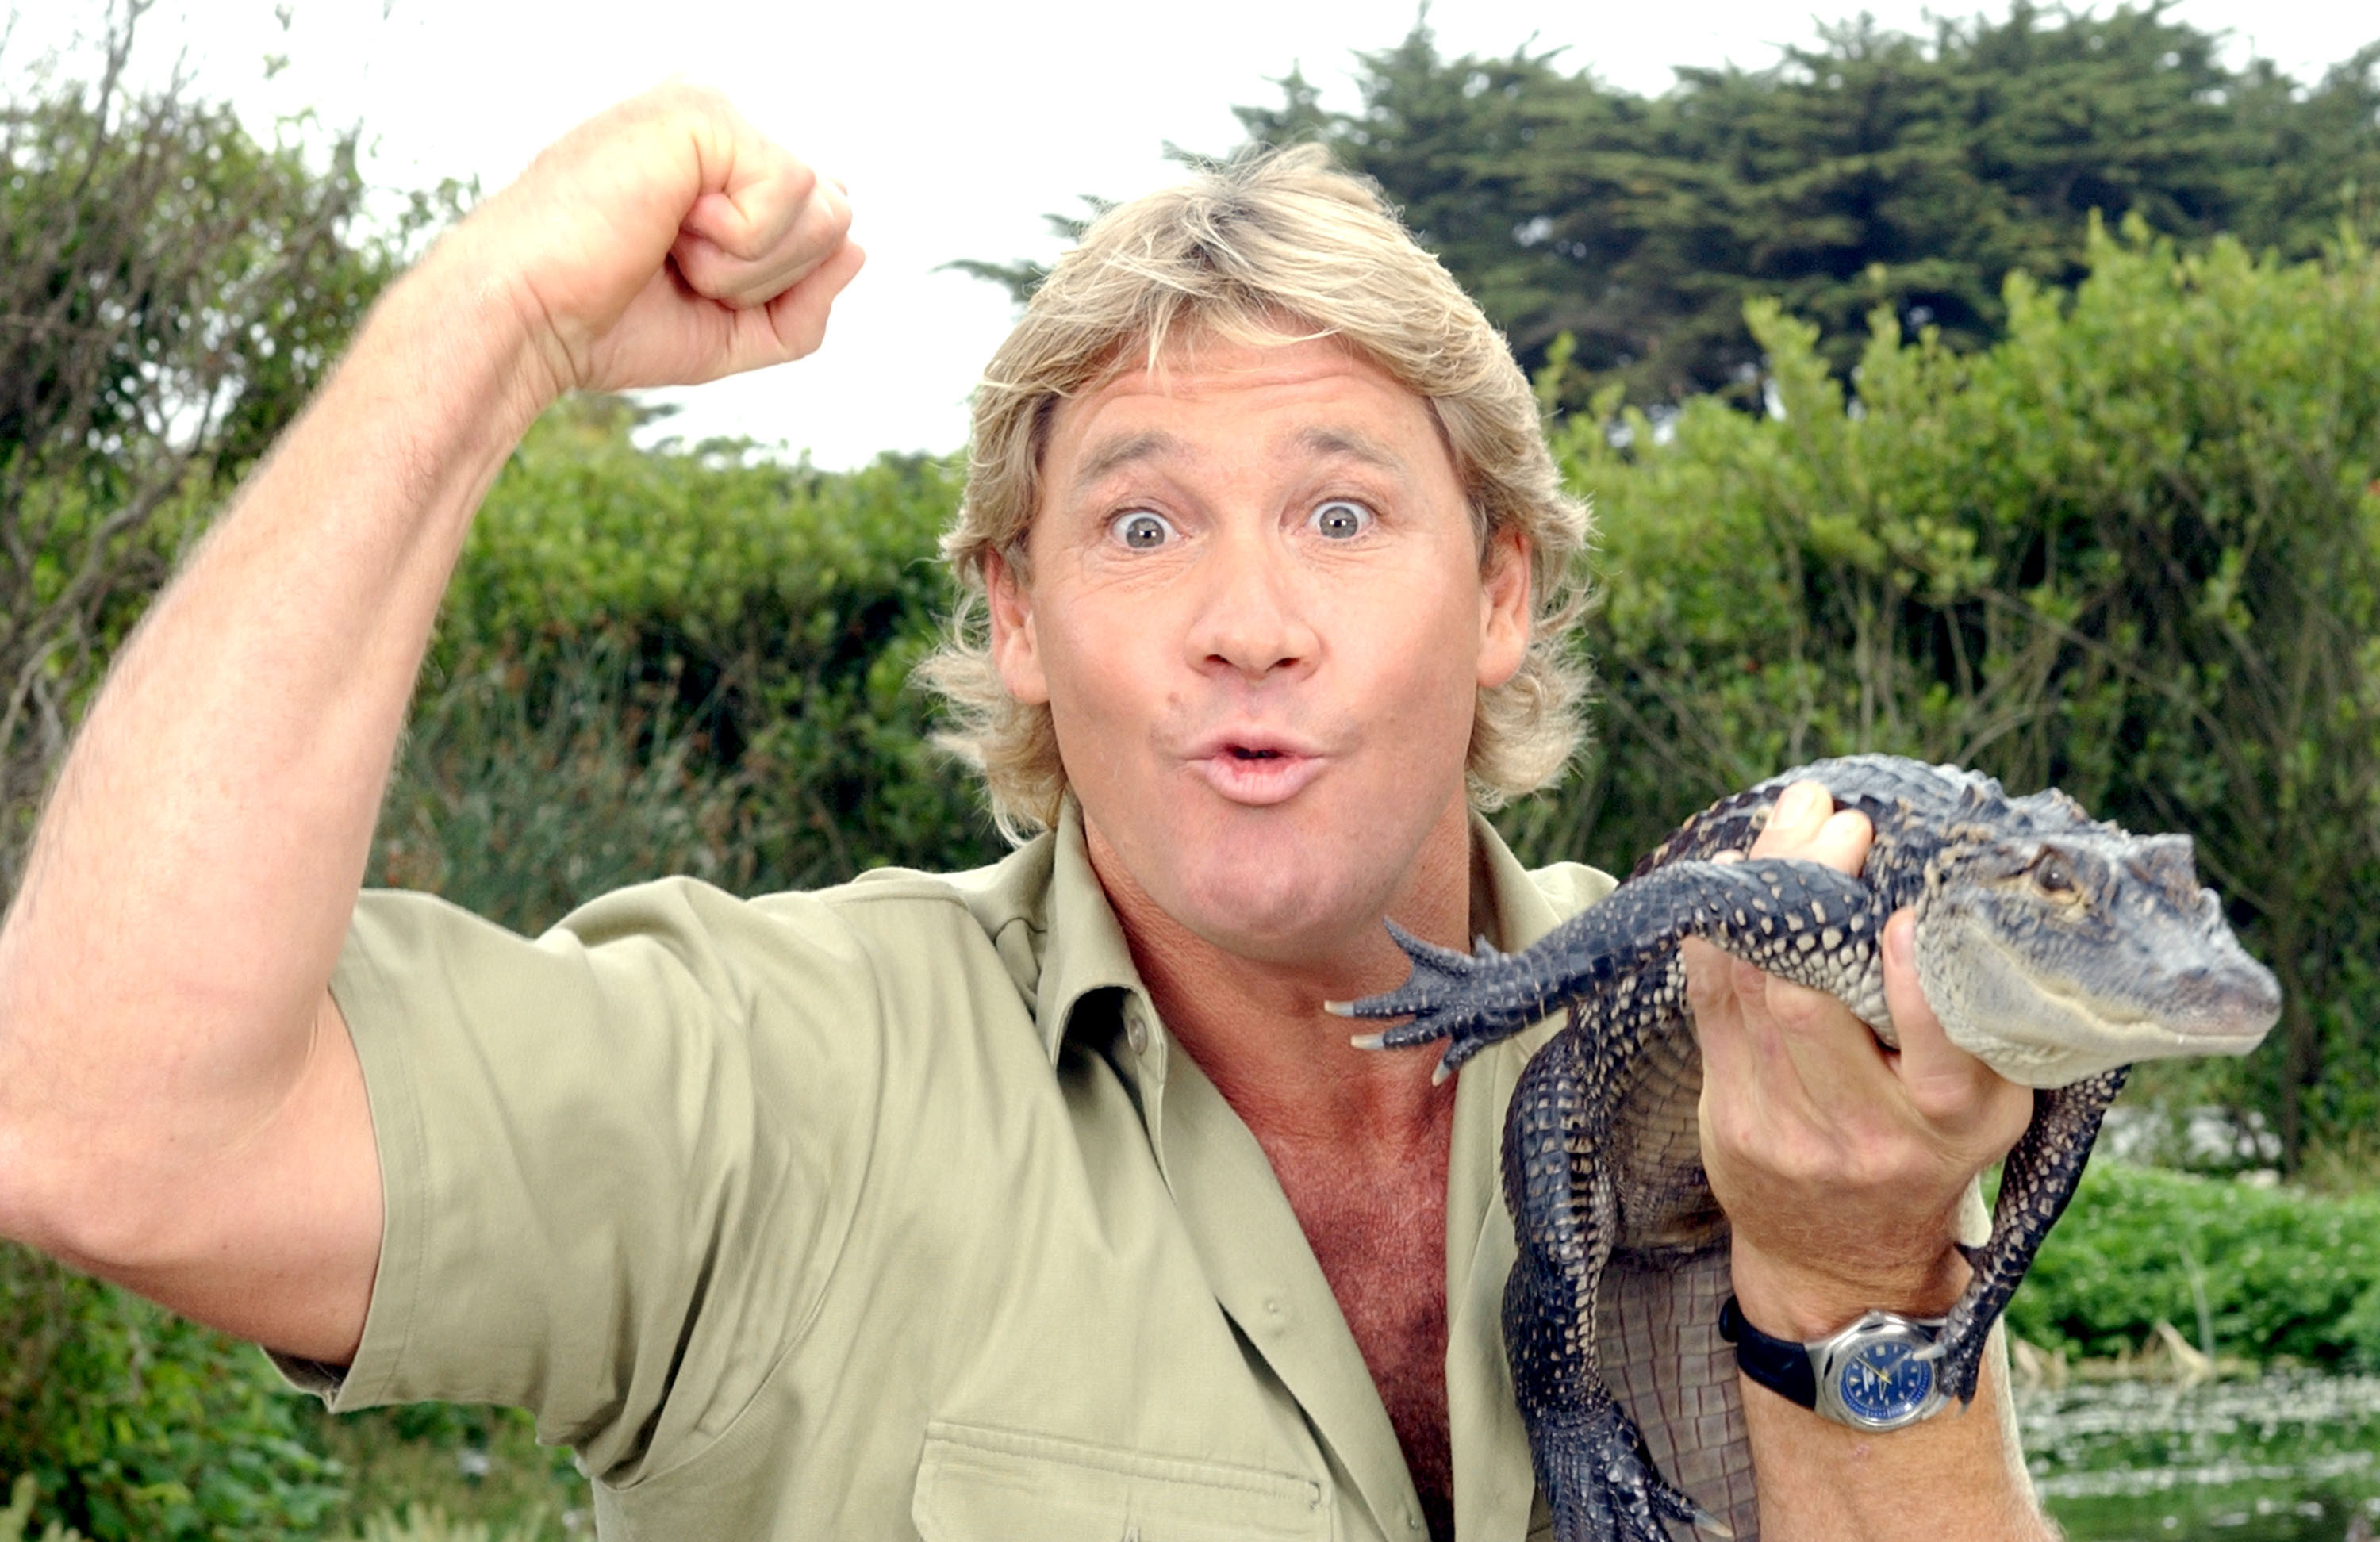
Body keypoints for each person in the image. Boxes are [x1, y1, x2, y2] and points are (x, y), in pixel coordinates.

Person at [0, 86, 2052, 1540]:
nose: (1249, 624)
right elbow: (103, 1129)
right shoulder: (771, 1084)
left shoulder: (1747, 1034)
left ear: (1499, 588)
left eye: (1343, 513)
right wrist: (494, 316)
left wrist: (1850, 1280)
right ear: (1023, 615)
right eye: (1141, 523)